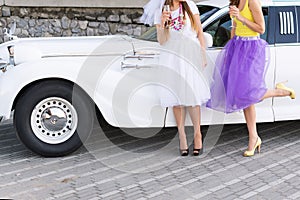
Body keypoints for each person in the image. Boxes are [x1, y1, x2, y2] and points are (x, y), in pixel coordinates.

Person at [207, 0, 296, 157]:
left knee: (248, 94)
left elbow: (261, 28)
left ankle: (282, 92)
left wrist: (241, 17)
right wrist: (230, 51)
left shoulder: (252, 2)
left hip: (252, 49)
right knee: (244, 96)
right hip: (237, 47)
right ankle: (254, 138)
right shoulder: (234, 1)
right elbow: (234, 28)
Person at [140, 0, 210, 156]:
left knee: (193, 96)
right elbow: (162, 40)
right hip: (172, 57)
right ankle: (182, 136)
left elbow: (199, 32)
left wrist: (202, 54)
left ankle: (198, 134)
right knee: (176, 98)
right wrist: (164, 24)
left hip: (190, 54)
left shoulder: (190, 6)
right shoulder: (161, 11)